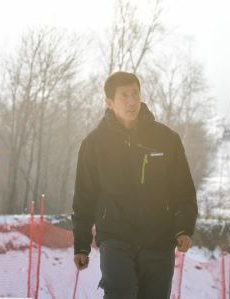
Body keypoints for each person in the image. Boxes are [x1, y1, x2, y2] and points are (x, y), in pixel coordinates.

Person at [72, 71, 198, 299]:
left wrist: (184, 228)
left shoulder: (167, 139)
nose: (131, 101)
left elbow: (184, 190)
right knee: (120, 292)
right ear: (109, 102)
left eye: (135, 94)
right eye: (124, 96)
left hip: (159, 238)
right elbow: (84, 197)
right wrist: (81, 245)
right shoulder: (94, 144)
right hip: (115, 236)